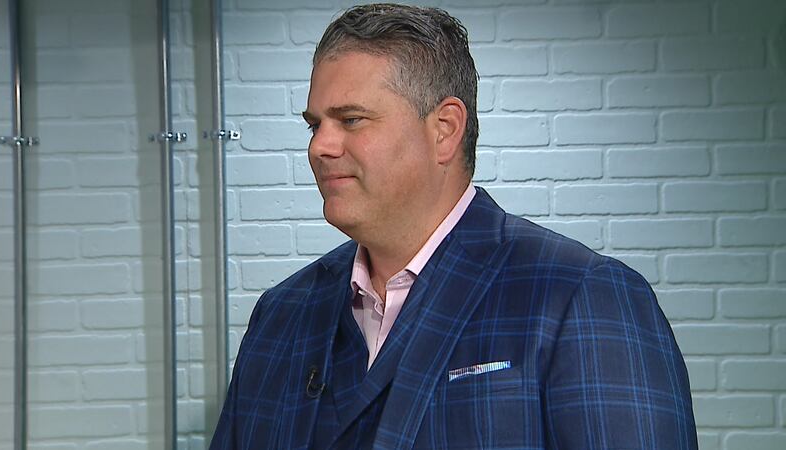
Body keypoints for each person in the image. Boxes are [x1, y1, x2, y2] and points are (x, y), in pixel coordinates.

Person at [210, 3, 697, 449]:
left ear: (444, 129)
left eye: (351, 120)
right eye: (315, 125)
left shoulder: (581, 296)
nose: (320, 147)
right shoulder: (281, 313)